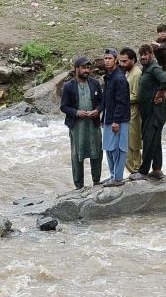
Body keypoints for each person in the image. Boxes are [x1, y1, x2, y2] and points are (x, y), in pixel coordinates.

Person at [60, 56, 104, 190]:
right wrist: (77, 112)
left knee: (97, 152)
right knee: (77, 155)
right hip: (77, 125)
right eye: (83, 68)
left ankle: (96, 181)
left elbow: (102, 102)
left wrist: (97, 110)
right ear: (76, 69)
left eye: (88, 68)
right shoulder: (69, 86)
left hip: (93, 123)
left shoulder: (95, 83)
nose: (86, 70)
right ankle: (79, 186)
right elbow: (64, 107)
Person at [133, 44, 166, 181]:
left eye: (146, 54)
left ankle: (143, 172)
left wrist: (158, 96)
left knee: (149, 141)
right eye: (141, 54)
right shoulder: (146, 69)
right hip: (149, 113)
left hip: (155, 112)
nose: (143, 57)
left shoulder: (154, 68)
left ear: (152, 55)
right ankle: (157, 169)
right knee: (155, 141)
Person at [101, 48, 130, 187]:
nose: (106, 61)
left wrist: (116, 121)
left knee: (118, 148)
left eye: (109, 58)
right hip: (109, 116)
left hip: (119, 119)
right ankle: (113, 175)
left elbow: (122, 101)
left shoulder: (119, 78)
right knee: (108, 147)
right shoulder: (109, 76)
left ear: (116, 60)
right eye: (105, 58)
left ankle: (118, 178)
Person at [118, 48, 142, 175]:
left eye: (125, 61)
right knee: (127, 144)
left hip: (133, 112)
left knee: (133, 145)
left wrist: (120, 99)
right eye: (121, 61)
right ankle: (134, 172)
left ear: (133, 60)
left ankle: (137, 171)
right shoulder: (129, 72)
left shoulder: (137, 73)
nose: (122, 64)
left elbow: (137, 95)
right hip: (127, 112)